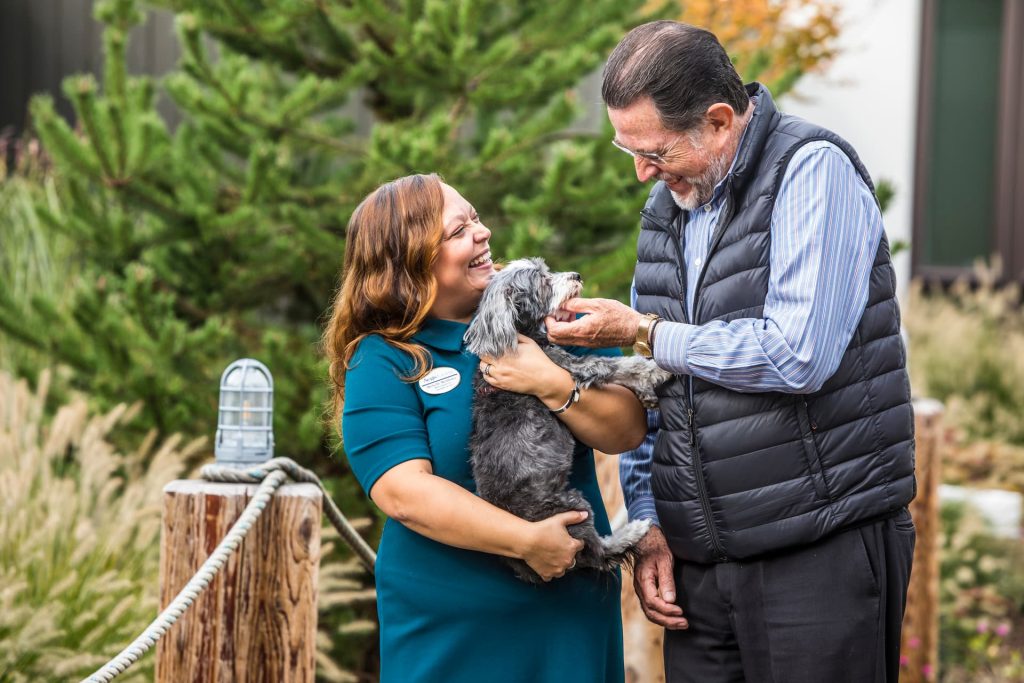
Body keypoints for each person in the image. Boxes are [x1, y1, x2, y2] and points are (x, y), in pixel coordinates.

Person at [545, 21, 917, 683]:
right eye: (626, 149)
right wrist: (650, 519)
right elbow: (650, 384)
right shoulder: (667, 207)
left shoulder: (813, 171)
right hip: (703, 570)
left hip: (817, 551)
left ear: (718, 120)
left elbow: (797, 354)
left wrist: (645, 329)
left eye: (654, 151)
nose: (640, 174)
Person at [322, 173, 647, 683]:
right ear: (409, 260)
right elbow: (403, 490)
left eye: (476, 218)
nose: (483, 232)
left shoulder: (546, 318)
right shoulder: (384, 359)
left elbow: (626, 430)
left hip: (567, 609)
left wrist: (553, 383)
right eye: (458, 230)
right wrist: (526, 541)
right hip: (449, 624)